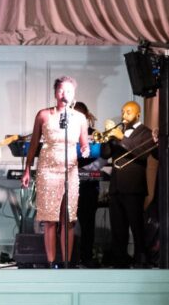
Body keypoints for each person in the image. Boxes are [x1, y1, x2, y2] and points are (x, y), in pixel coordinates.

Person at [22, 76, 90, 268]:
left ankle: (66, 263)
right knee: (49, 219)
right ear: (55, 93)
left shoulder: (80, 118)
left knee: (68, 219)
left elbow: (84, 144)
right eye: (61, 90)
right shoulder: (43, 115)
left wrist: (85, 149)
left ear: (73, 94)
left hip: (70, 169)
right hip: (47, 169)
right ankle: (52, 263)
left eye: (68, 91)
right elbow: (34, 144)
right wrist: (27, 169)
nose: (64, 94)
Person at [104, 100, 155, 269]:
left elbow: (142, 153)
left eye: (128, 112)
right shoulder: (119, 131)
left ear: (138, 114)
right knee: (118, 228)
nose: (124, 114)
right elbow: (105, 154)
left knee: (136, 226)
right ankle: (120, 260)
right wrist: (107, 138)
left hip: (134, 187)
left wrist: (122, 138)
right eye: (123, 111)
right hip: (116, 187)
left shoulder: (146, 132)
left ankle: (141, 258)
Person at [72, 100, 102, 267]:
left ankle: (86, 257)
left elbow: (103, 157)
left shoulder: (95, 134)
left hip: (88, 184)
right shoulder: (66, 134)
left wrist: (86, 170)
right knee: (66, 222)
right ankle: (67, 257)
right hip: (69, 184)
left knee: (88, 222)